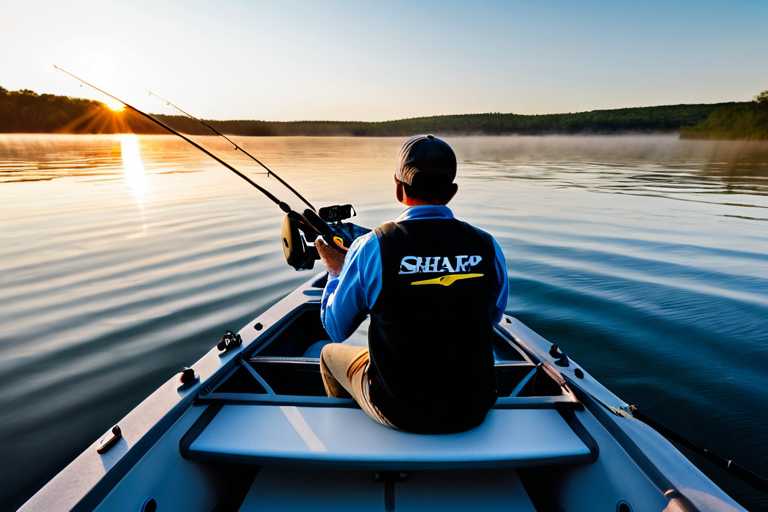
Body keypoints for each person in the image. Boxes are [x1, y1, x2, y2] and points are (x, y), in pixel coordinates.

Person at [316, 134, 509, 434]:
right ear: (452, 192)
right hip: (475, 407)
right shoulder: (488, 246)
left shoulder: (371, 247)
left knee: (328, 355)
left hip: (400, 410)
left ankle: (346, 440)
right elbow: (492, 317)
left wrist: (335, 272)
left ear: (398, 187)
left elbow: (336, 329)